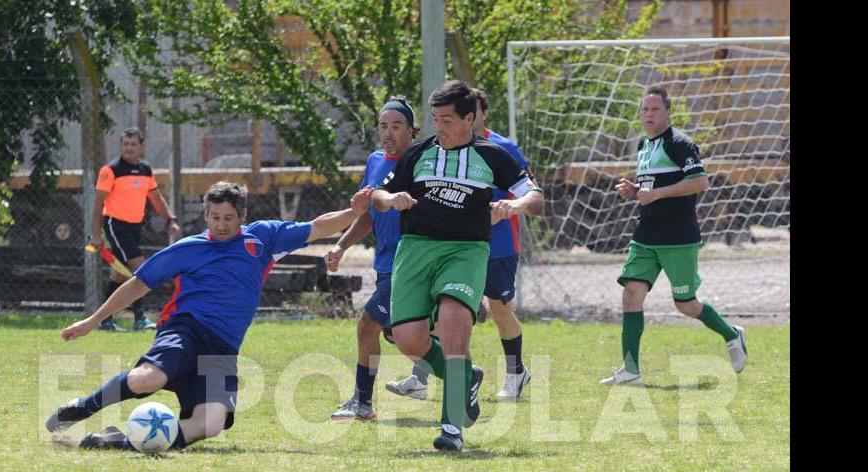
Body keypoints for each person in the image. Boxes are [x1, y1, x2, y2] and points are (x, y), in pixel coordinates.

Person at [45, 181, 374, 451]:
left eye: (228, 217)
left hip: (222, 348)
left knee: (210, 425)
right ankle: (81, 407)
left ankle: (118, 442)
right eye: (214, 217)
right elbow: (137, 284)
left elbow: (315, 227)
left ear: (241, 215)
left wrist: (354, 211)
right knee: (148, 379)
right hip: (185, 330)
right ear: (206, 215)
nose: (221, 225)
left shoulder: (262, 238)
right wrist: (92, 320)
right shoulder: (189, 248)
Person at [372, 80, 544, 451]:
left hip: (465, 252)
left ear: (470, 118)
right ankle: (466, 378)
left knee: (452, 327)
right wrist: (391, 198)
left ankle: (451, 429)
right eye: (435, 119)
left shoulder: (494, 155)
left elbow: (534, 196)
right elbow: (380, 193)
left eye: (448, 120)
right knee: (408, 340)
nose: (441, 128)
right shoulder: (417, 155)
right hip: (415, 250)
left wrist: (515, 205)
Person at [601, 86, 748, 386]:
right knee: (631, 294)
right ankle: (631, 371)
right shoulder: (643, 144)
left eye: (655, 109)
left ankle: (732, 335)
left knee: (686, 304)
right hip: (646, 236)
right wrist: (635, 192)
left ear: (668, 113)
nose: (649, 115)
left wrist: (655, 194)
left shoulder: (679, 143)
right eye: (645, 109)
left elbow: (699, 182)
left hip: (678, 237)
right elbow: (650, 190)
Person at [327, 96, 419, 421]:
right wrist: (341, 246)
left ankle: (361, 403)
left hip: (410, 265)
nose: (388, 133)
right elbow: (367, 214)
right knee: (404, 338)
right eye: (383, 126)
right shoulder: (375, 161)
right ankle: (464, 377)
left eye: (396, 126)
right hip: (385, 266)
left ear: (412, 131)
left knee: (368, 325)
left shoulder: (420, 163)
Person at [90, 127, 182, 332]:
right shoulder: (110, 170)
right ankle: (139, 318)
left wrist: (171, 220)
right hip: (115, 225)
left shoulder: (145, 169)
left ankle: (105, 321)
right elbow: (97, 204)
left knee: (119, 276)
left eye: (133, 144)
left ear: (142, 147)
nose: (129, 148)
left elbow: (156, 198)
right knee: (140, 268)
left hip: (134, 227)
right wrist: (96, 235)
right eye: (125, 144)